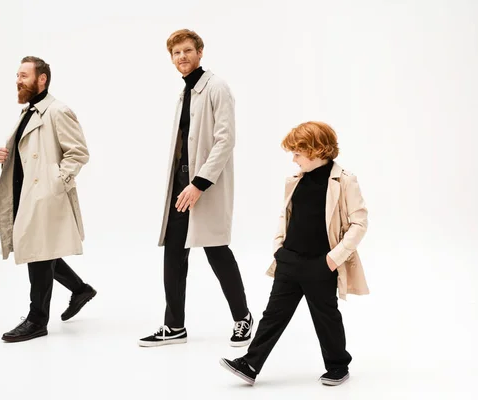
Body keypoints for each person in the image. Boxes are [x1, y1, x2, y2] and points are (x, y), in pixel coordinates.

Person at [219, 121, 370, 385]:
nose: (293, 159)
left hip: (321, 264)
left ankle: (338, 366)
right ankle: (250, 364)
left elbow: (359, 223)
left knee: (326, 316)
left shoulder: (344, 181)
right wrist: (278, 247)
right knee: (273, 315)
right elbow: (285, 215)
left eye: (297, 153)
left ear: (316, 150)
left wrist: (333, 259)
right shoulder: (295, 181)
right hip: (289, 259)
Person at [138, 29, 253, 348]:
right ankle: (173, 326)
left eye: (188, 50)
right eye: (176, 53)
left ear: (200, 52)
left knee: (216, 250)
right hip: (181, 183)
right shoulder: (184, 92)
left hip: (204, 184)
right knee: (174, 254)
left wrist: (199, 184)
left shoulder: (217, 87)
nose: (182, 57)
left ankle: (243, 317)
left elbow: (226, 140)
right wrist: (183, 183)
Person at [0, 56, 96, 343]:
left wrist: (56, 182)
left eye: (24, 75)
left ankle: (37, 319)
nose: (18, 80)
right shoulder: (28, 111)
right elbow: (28, 152)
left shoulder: (57, 111)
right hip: (25, 192)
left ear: (42, 79)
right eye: (17, 75)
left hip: (45, 194)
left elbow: (78, 152)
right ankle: (80, 290)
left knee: (38, 252)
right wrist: (6, 155)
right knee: (40, 249)